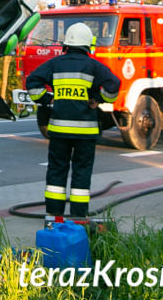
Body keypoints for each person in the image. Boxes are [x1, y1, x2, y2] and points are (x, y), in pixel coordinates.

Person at [27, 22, 121, 218]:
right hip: (85, 134)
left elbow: (32, 81)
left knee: (56, 174)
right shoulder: (94, 66)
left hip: (59, 131)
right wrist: (99, 99)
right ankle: (79, 218)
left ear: (66, 44)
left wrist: (47, 99)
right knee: (81, 174)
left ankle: (53, 218)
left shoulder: (54, 64)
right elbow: (114, 84)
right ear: (88, 44)